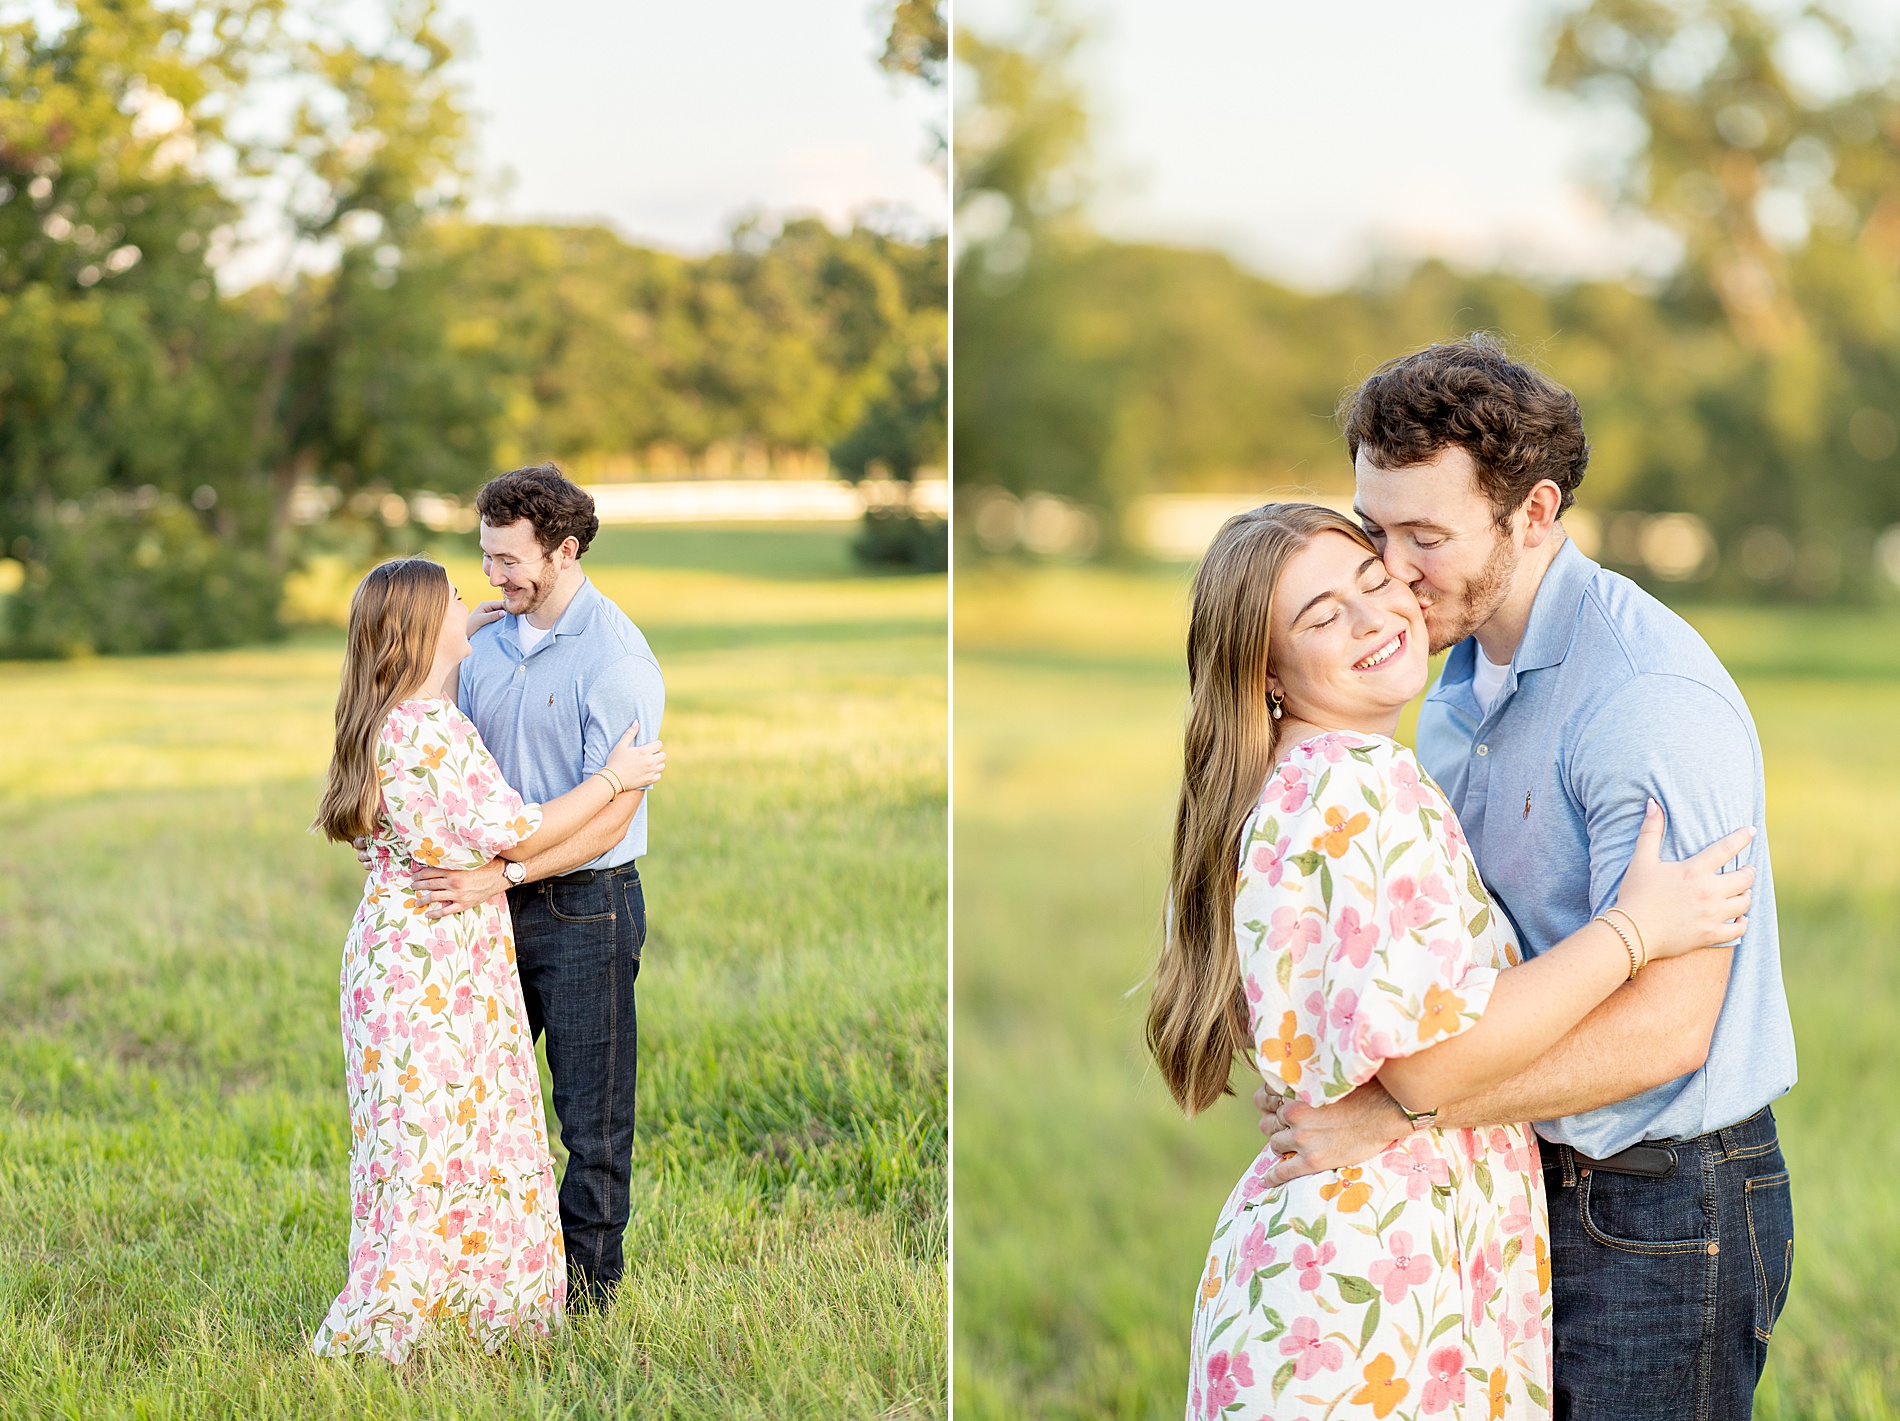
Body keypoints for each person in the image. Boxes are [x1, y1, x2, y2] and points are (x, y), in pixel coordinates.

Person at [1256, 337, 1797, 1419]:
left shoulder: (1645, 698)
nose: (1391, 571)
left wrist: (1402, 1110)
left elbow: (1668, 1031)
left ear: (1534, 512)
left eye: (1425, 537)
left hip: (1660, 1204)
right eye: (1373, 529)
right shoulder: (1446, 679)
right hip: (1517, 1183)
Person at [1152, 504, 1754, 1419]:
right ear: (1266, 673)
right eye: (1323, 616)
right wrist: (1633, 929)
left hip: (1344, 1272)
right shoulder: (1353, 785)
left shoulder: (1298, 781)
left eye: (1373, 579)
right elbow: (1428, 1062)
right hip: (1379, 1291)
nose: (1374, 615)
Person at [312, 556, 664, 1362]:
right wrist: (614, 776)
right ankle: (413, 1312)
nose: (475, 595)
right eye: (455, 596)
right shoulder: (433, 732)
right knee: (445, 1137)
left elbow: (436, 653)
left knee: (418, 1139)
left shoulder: (385, 714)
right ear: (420, 628)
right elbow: (522, 829)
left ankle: (455, 1297)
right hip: (437, 958)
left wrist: (455, 630)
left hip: (390, 953)